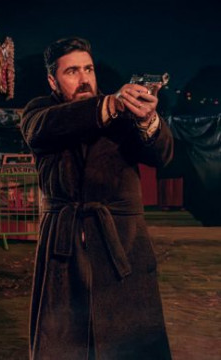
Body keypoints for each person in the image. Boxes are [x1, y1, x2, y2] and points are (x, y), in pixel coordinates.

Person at [21, 37, 173, 359]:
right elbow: (43, 129)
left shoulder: (125, 111)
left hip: (122, 244)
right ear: (52, 80)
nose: (84, 78)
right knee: (66, 343)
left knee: (131, 343)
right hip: (65, 247)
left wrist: (147, 120)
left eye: (88, 69)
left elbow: (162, 155)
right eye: (72, 71)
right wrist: (110, 106)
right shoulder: (40, 111)